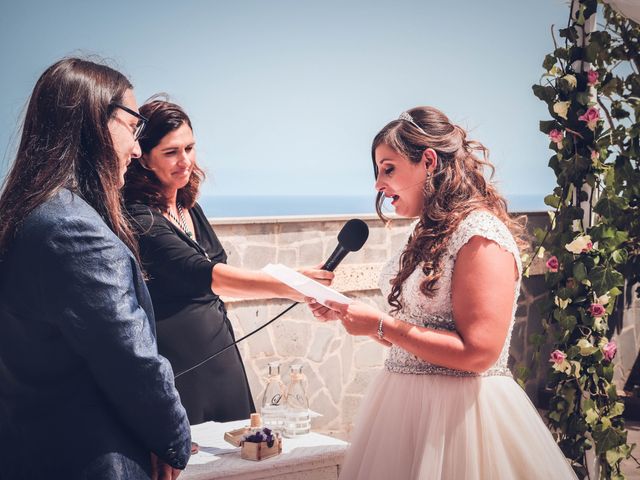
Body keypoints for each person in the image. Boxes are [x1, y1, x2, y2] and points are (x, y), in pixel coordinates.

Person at [308, 107, 577, 479]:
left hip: (462, 424)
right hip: (403, 415)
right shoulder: (425, 232)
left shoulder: (480, 235)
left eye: (388, 168)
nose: (378, 184)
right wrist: (356, 317)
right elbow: (421, 335)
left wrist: (381, 326)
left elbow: (480, 352)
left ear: (428, 161)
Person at [0, 58, 191, 479]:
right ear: (93, 122)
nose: (137, 148)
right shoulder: (73, 230)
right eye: (133, 126)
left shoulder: (23, 214)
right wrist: (173, 442)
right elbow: (132, 360)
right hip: (90, 458)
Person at [123, 99, 333, 425]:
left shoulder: (189, 209)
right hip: (180, 372)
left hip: (223, 364)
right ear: (144, 158)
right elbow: (208, 275)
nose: (185, 161)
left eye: (189, 148)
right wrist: (295, 284)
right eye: (171, 152)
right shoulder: (139, 218)